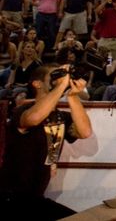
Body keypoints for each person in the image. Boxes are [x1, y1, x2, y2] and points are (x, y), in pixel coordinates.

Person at [0, 63, 92, 219]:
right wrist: (61, 85)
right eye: (55, 75)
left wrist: (72, 95)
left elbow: (85, 132)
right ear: (37, 84)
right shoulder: (22, 110)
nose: (61, 79)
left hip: (34, 199)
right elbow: (34, 118)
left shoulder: (61, 116)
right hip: (9, 197)